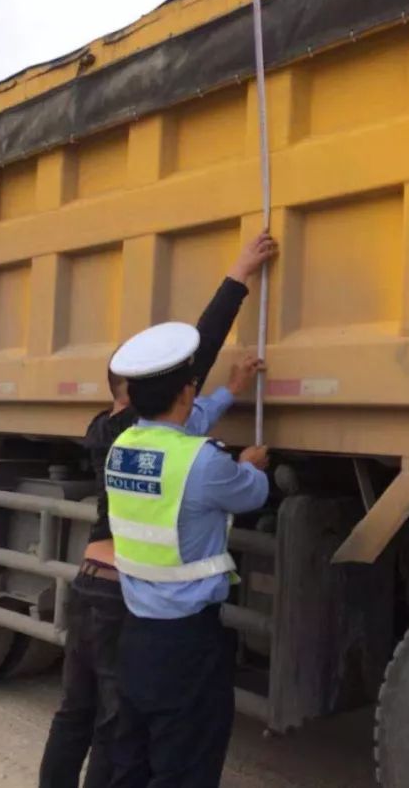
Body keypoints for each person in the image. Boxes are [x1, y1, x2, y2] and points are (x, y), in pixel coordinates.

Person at [38, 232, 278, 788]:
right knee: (126, 737)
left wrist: (229, 394)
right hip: (139, 610)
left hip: (101, 589)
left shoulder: (115, 437)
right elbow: (199, 372)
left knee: (91, 722)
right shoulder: (181, 450)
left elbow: (182, 420)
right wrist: (238, 274)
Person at [105, 322, 271, 788]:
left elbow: (182, 427)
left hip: (136, 634)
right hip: (187, 645)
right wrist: (248, 467)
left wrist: (228, 391)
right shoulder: (205, 463)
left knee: (133, 762)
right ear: (185, 392)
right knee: (186, 768)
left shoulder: (123, 448)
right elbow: (252, 494)